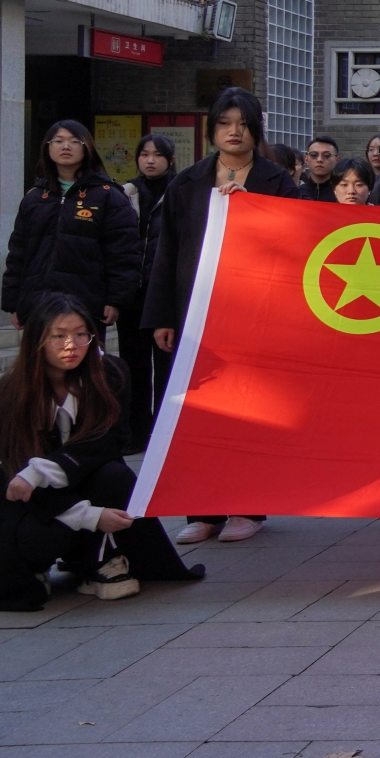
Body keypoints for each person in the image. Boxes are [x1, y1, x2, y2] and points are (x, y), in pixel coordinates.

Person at [144, 87, 301, 546]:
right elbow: (167, 252)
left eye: (244, 124)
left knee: (250, 413)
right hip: (196, 314)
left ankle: (248, 507)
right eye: (225, 123)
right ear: (212, 129)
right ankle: (202, 510)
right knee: (196, 413)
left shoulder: (277, 182)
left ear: (257, 130)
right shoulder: (187, 182)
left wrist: (252, 207)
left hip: (257, 318)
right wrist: (162, 317)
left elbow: (297, 243)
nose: (235, 132)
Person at [0, 296, 204, 611]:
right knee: (37, 535)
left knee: (115, 476)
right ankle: (38, 566)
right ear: (37, 339)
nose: (71, 345)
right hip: (34, 498)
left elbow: (110, 441)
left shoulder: (110, 373)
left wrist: (44, 468)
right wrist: (89, 516)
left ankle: (97, 561)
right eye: (58, 335)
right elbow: (17, 470)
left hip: (89, 477)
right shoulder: (11, 391)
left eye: (81, 334)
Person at [3, 121, 140, 335]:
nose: (66, 146)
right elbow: (18, 254)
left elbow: (124, 253)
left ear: (87, 148)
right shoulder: (34, 197)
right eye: (58, 141)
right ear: (48, 148)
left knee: (83, 356)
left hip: (86, 303)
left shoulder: (108, 195)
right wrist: (13, 302)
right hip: (39, 304)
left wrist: (116, 299)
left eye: (74, 141)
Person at [119, 134, 175, 451]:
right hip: (132, 295)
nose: (150, 160)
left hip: (165, 296)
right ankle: (136, 432)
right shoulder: (125, 194)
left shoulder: (180, 193)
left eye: (157, 155)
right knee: (133, 366)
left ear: (170, 160)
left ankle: (164, 433)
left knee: (166, 366)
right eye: (144, 154)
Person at [299, 136, 341, 201]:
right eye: (313, 155)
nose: (319, 160)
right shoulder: (296, 194)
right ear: (306, 159)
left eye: (326, 155)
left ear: (337, 160)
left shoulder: (343, 195)